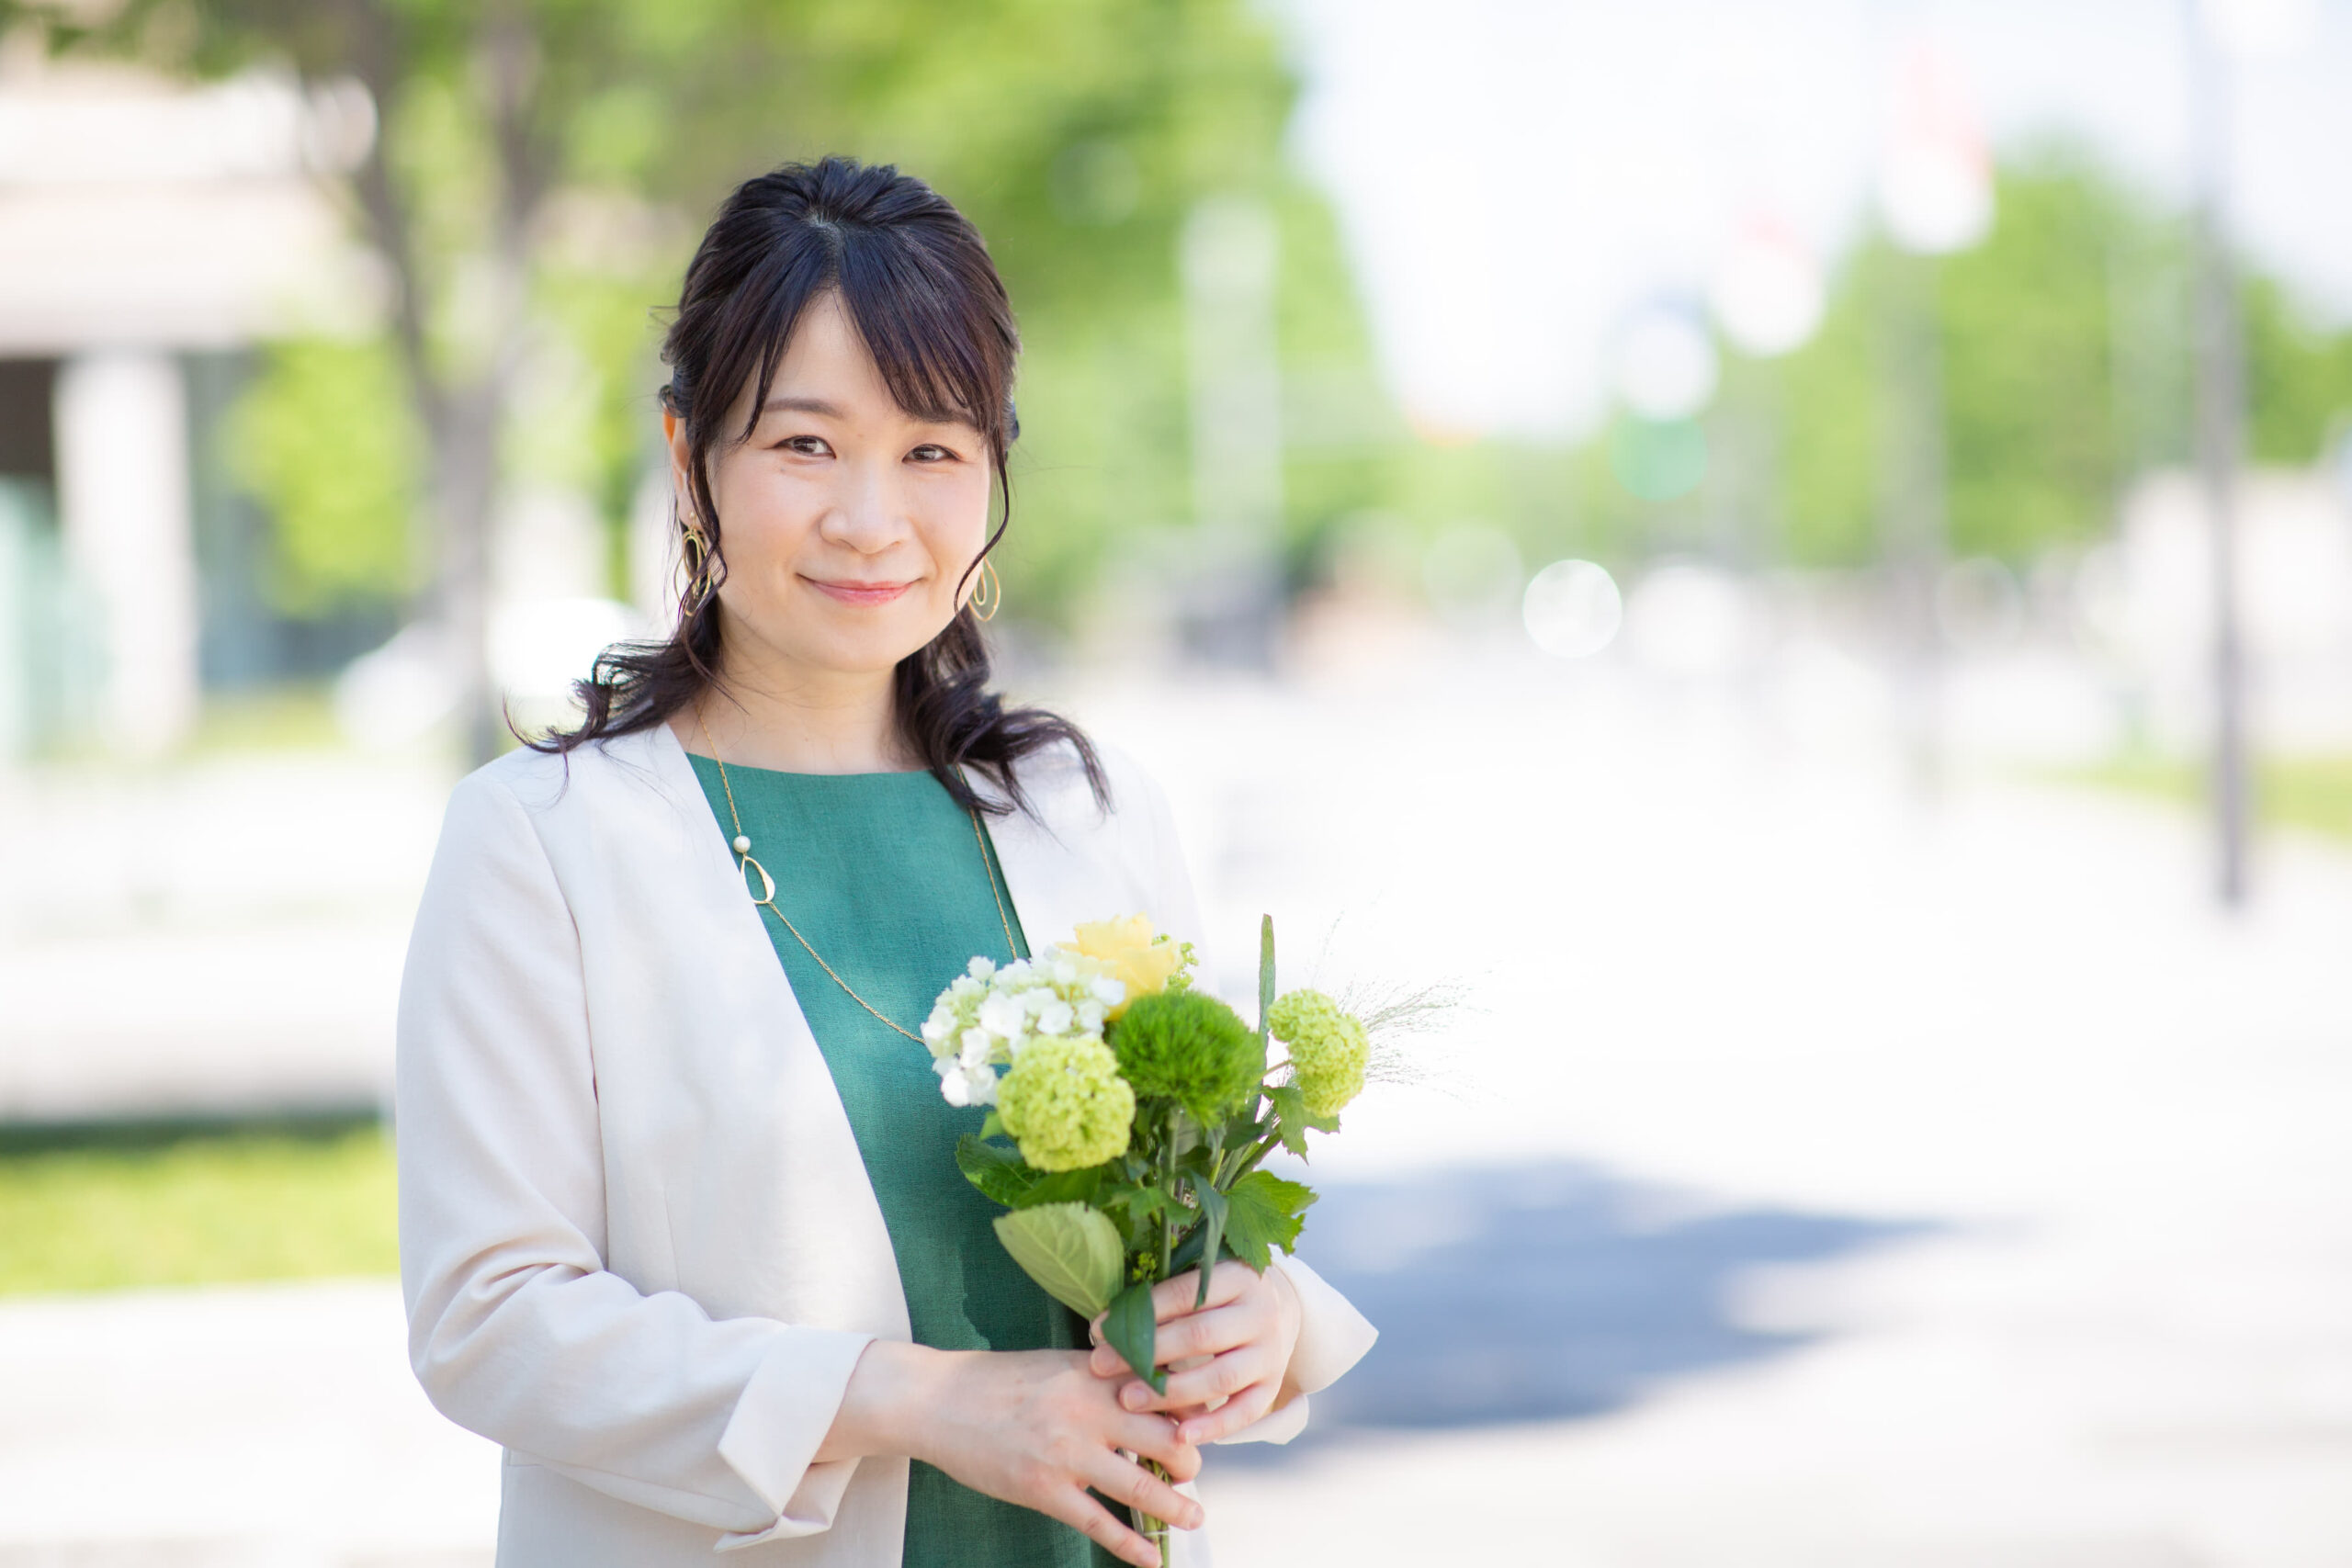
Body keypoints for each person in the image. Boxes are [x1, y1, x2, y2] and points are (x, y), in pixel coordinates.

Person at [394, 156, 1375, 1568]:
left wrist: (1258, 1319)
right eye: (805, 446)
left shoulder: (1086, 811)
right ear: (690, 459)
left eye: (932, 450)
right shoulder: (545, 844)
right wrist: (918, 1402)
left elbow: (1181, 1204)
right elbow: (490, 1318)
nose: (872, 518)